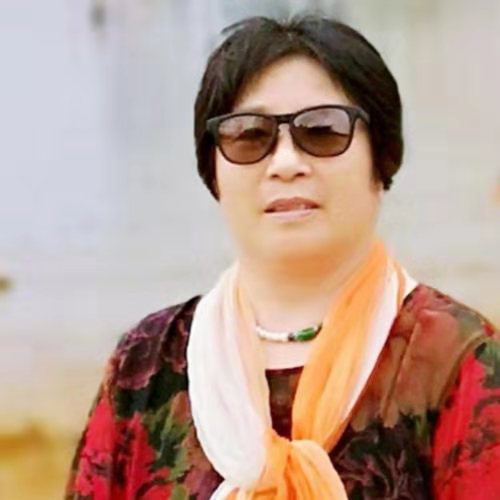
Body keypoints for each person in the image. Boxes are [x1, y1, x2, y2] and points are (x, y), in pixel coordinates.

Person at [66, 15, 500, 500]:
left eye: (323, 130)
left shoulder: (458, 360)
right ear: (213, 169)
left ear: (382, 158)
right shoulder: (145, 364)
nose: (287, 163)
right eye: (249, 135)